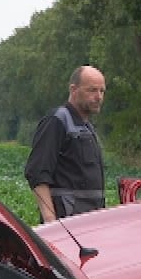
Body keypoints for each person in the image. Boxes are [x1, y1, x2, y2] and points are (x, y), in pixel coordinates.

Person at [26, 65, 108, 223]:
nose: (98, 97)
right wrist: (50, 219)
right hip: (67, 222)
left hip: (91, 220)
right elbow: (37, 172)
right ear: (73, 89)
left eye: (102, 91)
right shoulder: (57, 120)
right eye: (92, 90)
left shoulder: (87, 127)